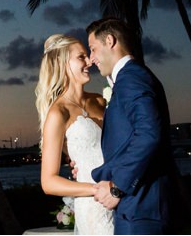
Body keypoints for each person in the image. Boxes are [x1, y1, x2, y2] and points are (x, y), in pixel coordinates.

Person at [87, 17, 176, 234]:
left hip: (142, 209)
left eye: (93, 49)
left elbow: (149, 134)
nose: (91, 59)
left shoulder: (131, 78)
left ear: (109, 40)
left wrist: (117, 187)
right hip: (137, 207)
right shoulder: (130, 78)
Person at [36, 34, 114, 235]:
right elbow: (49, 182)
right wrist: (97, 190)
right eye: (81, 57)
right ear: (63, 63)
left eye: (87, 56)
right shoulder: (58, 112)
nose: (89, 61)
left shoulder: (99, 101)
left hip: (123, 196)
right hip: (94, 205)